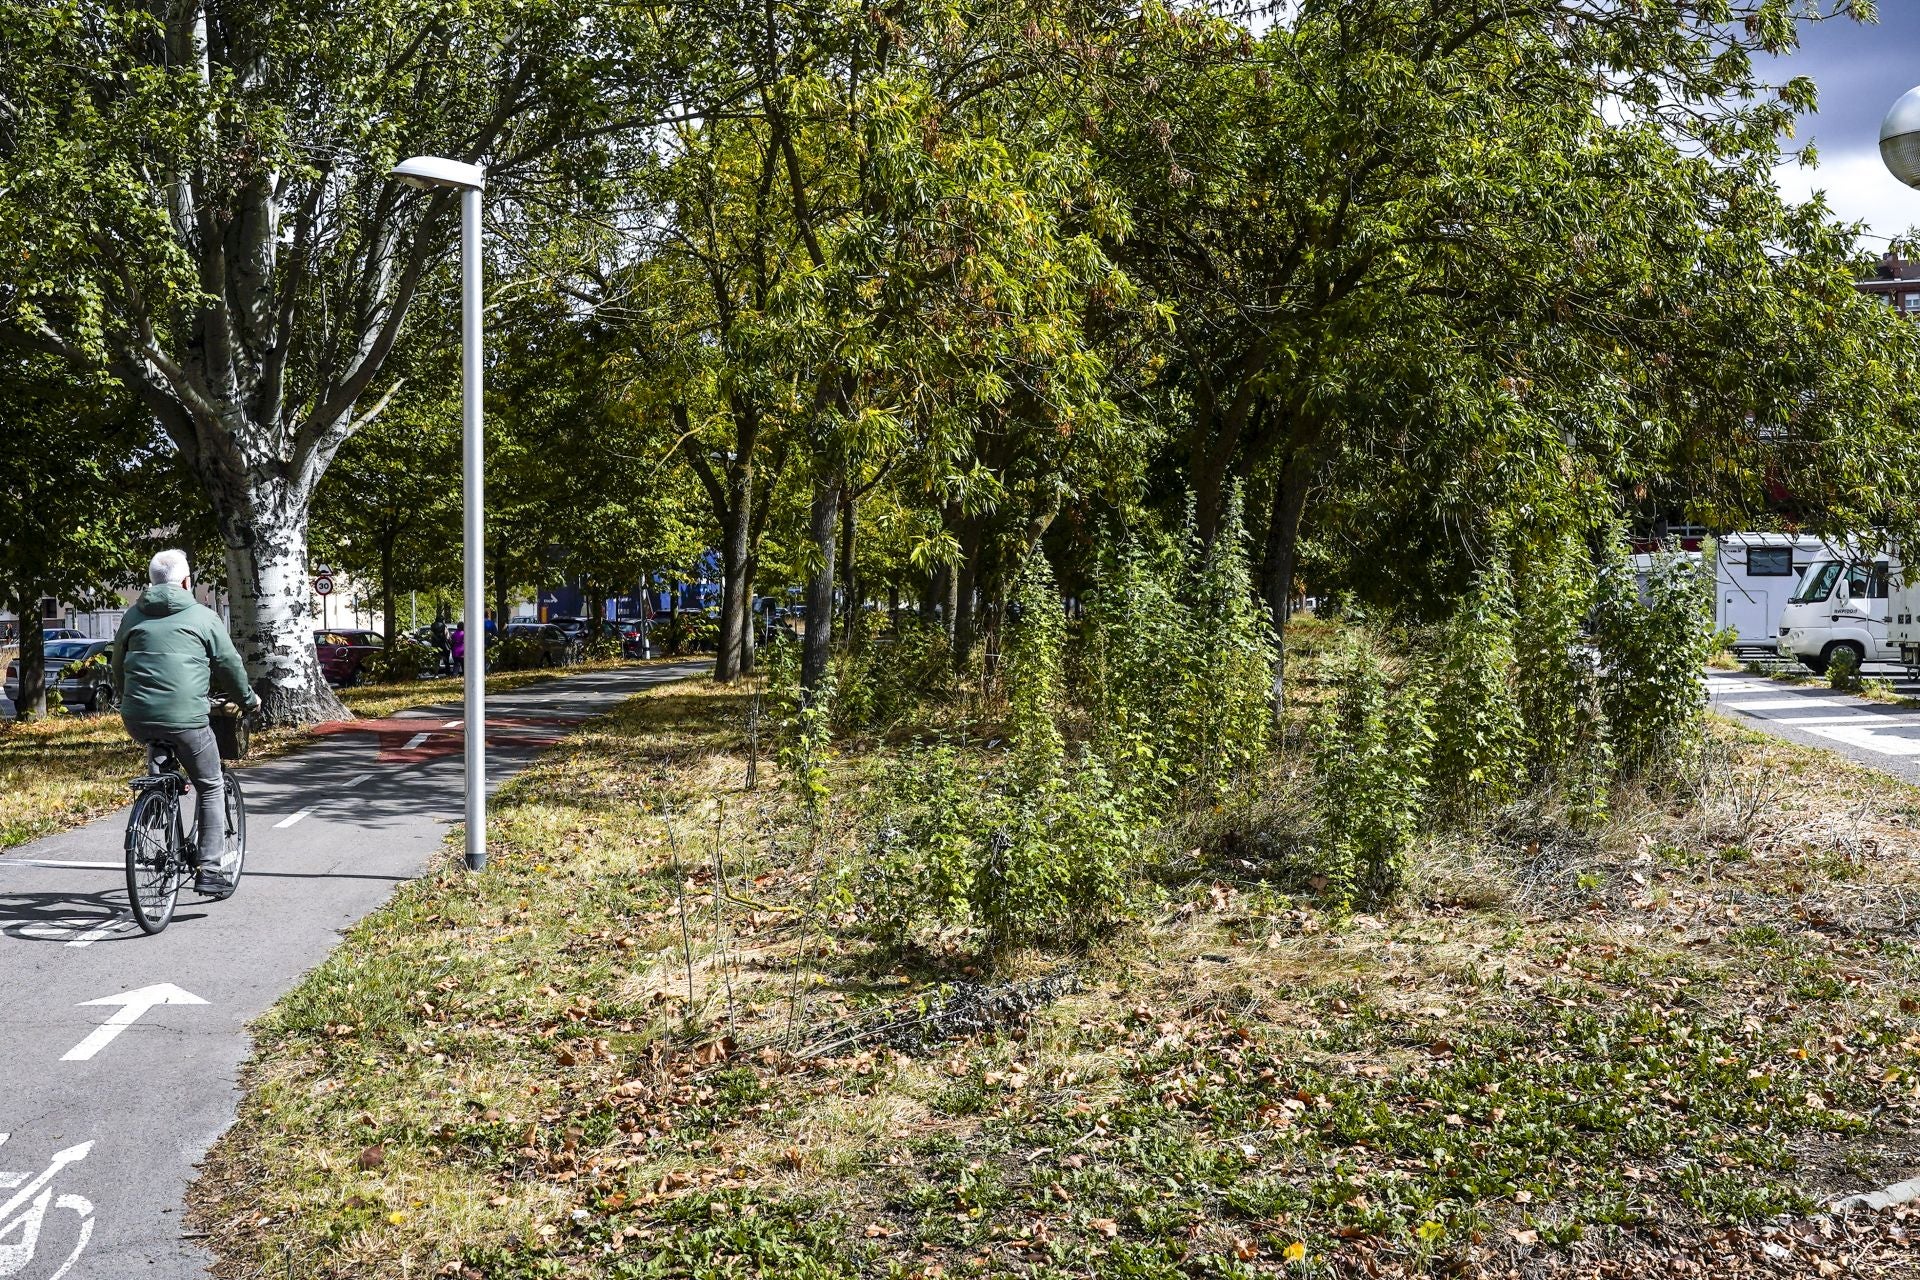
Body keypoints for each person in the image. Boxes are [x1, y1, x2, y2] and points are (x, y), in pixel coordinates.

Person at [111, 549, 260, 897]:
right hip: (187, 720)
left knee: (158, 738)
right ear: (186, 581)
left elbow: (118, 665)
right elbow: (229, 665)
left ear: (151, 582)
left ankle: (157, 793)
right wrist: (248, 700)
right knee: (210, 784)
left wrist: (129, 698)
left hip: (137, 717)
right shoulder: (202, 616)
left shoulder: (132, 615)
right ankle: (209, 869)